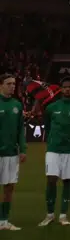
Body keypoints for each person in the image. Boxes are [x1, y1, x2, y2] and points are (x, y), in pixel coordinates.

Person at [40, 77, 70, 226]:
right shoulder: (52, 107)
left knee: (68, 181)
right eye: (65, 87)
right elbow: (47, 125)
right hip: (53, 149)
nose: (67, 89)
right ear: (61, 89)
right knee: (51, 179)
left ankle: (63, 215)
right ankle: (50, 214)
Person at [0, 74, 25, 231]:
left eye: (14, 84)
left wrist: (22, 149)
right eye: (8, 83)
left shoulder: (17, 105)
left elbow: (20, 130)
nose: (12, 86)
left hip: (11, 153)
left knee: (9, 187)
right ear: (0, 85)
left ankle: (4, 220)